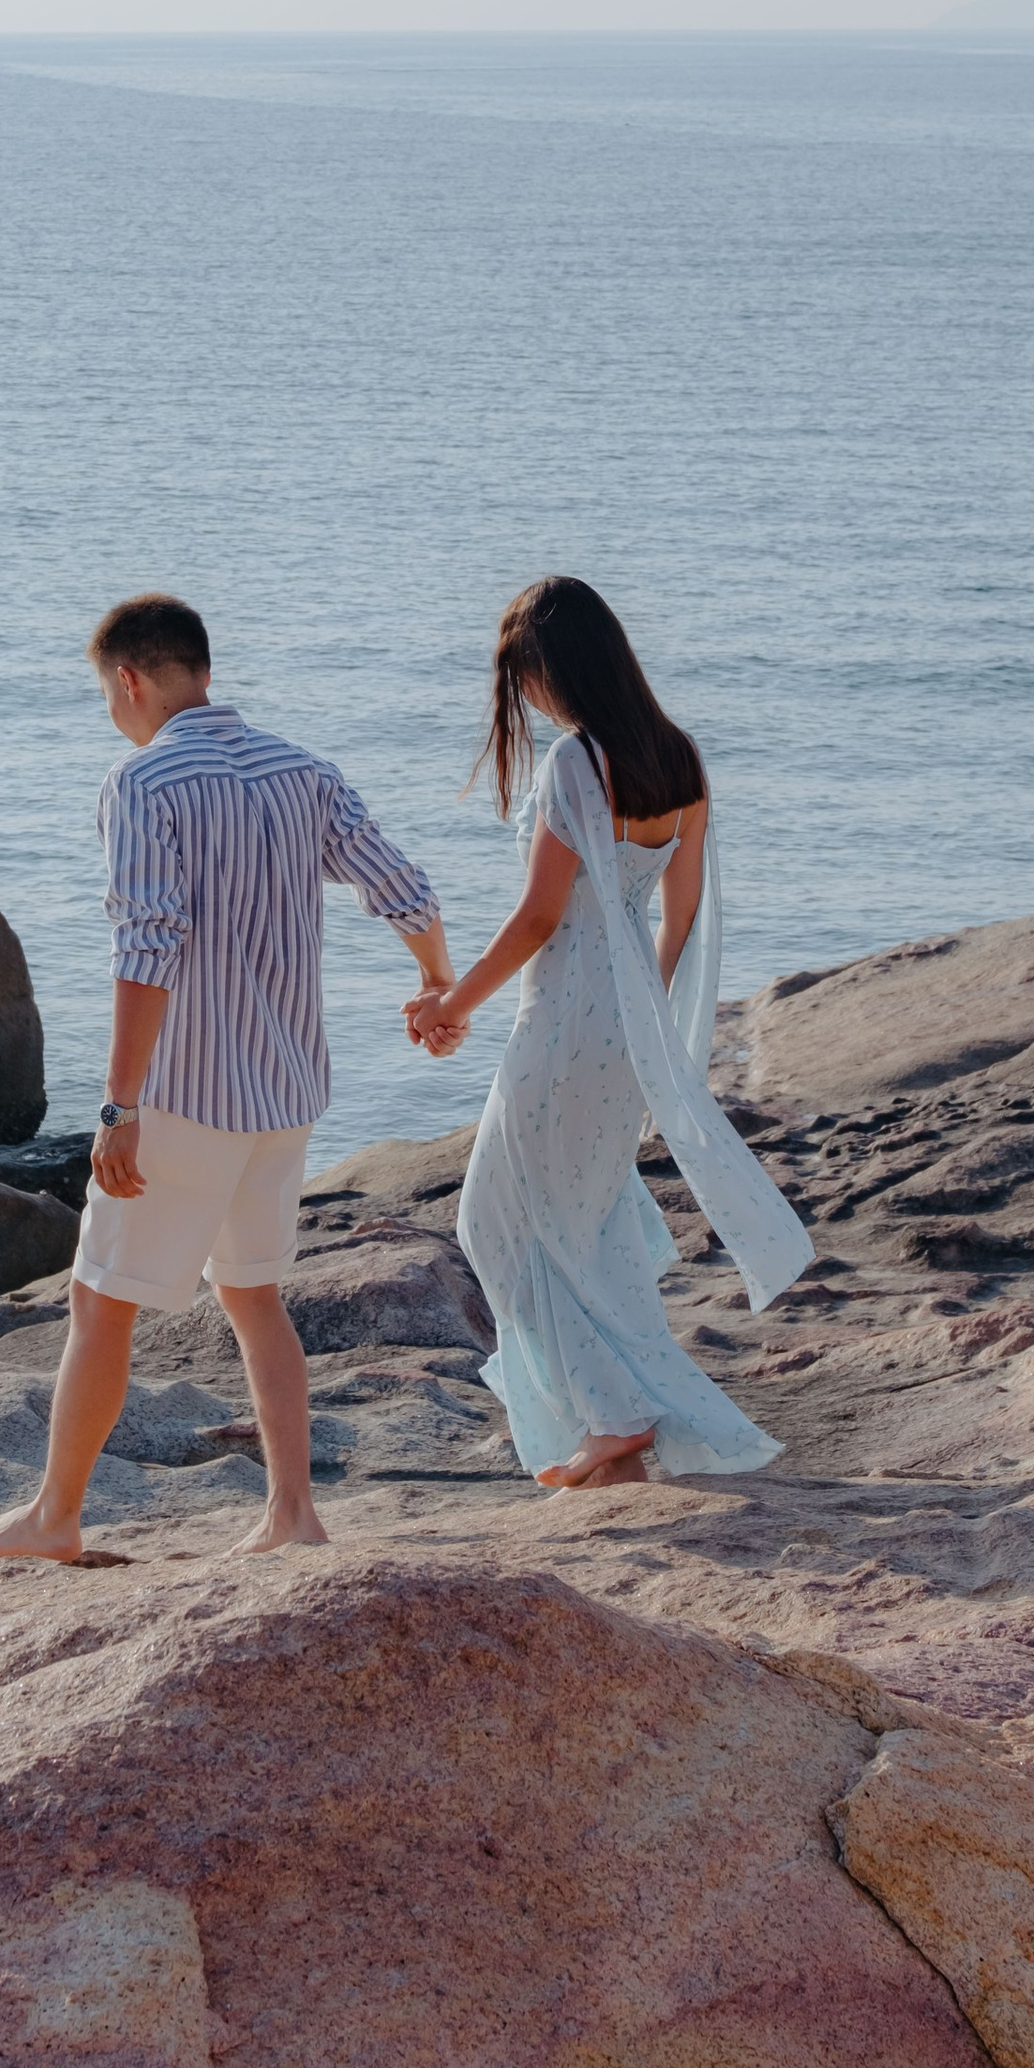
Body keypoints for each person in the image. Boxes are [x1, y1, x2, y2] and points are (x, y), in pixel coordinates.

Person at [0, 594, 452, 1564]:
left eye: (109, 694)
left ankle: (56, 1517)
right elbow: (405, 888)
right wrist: (436, 980)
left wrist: (118, 1106)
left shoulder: (143, 783)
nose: (113, 711)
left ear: (131, 681)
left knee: (101, 1298)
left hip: (185, 1097)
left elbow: (147, 946)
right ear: (205, 673)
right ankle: (293, 1514)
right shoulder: (303, 773)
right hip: (283, 1095)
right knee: (255, 1299)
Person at [404, 575, 811, 1486]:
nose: (529, 701)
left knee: (494, 1223)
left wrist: (451, 1005)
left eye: (526, 679)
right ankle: (612, 1414)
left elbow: (540, 918)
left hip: (559, 1024)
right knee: (581, 1224)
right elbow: (685, 905)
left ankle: (615, 1413)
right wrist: (647, 1007)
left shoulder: (573, 765)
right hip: (631, 1026)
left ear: (557, 670)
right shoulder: (681, 757)